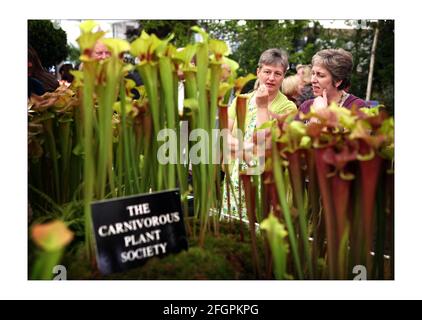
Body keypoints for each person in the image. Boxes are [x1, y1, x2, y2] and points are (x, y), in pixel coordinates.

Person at [221, 48, 297, 221]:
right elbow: (224, 137)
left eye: (277, 73)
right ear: (258, 72)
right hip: (234, 175)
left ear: (283, 76)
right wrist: (249, 148)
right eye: (267, 72)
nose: (271, 78)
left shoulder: (288, 108)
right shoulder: (241, 100)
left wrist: (263, 107)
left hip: (264, 179)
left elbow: (266, 144)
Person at [298, 48, 366, 117]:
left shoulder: (357, 107)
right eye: (313, 73)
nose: (313, 80)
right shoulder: (306, 106)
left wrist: (321, 114)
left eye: (320, 75)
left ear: (338, 81)